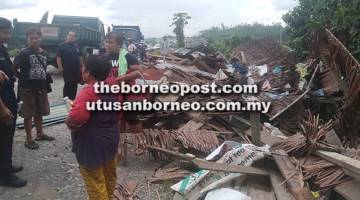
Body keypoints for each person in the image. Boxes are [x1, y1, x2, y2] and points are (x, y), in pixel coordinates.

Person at [65, 56, 123, 200]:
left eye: (83, 69)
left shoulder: (88, 92)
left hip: (91, 145)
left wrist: (69, 122)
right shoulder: (114, 89)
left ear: (88, 73)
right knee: (109, 175)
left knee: (95, 182)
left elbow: (77, 117)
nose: (81, 71)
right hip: (111, 139)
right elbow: (119, 113)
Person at [102, 32, 147, 164]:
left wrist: (124, 78)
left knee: (131, 118)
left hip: (127, 92)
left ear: (119, 44)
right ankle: (120, 150)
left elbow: (139, 71)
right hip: (111, 92)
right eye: (106, 42)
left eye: (111, 42)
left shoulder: (127, 56)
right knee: (116, 119)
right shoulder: (104, 58)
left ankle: (141, 143)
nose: (108, 45)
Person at [14, 28, 55, 150]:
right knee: (28, 114)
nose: (33, 40)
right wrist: (22, 78)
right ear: (27, 40)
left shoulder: (45, 53)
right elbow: (14, 68)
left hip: (41, 88)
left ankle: (40, 134)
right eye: (31, 38)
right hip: (27, 89)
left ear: (40, 39)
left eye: (36, 38)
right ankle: (29, 139)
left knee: (39, 112)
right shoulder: (23, 53)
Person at [0, 17, 27, 187]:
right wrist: (2, 109)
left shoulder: (2, 48)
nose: (8, 35)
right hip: (2, 101)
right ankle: (5, 176)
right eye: (5, 32)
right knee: (3, 138)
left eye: (10, 32)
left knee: (7, 137)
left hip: (8, 95)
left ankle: (6, 167)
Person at [56, 31, 83, 100]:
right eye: (70, 35)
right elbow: (58, 57)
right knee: (68, 84)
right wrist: (60, 67)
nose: (72, 37)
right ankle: (66, 99)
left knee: (75, 84)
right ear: (67, 36)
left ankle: (72, 99)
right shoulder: (62, 45)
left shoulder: (76, 46)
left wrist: (82, 67)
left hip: (76, 69)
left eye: (73, 36)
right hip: (67, 69)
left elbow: (80, 57)